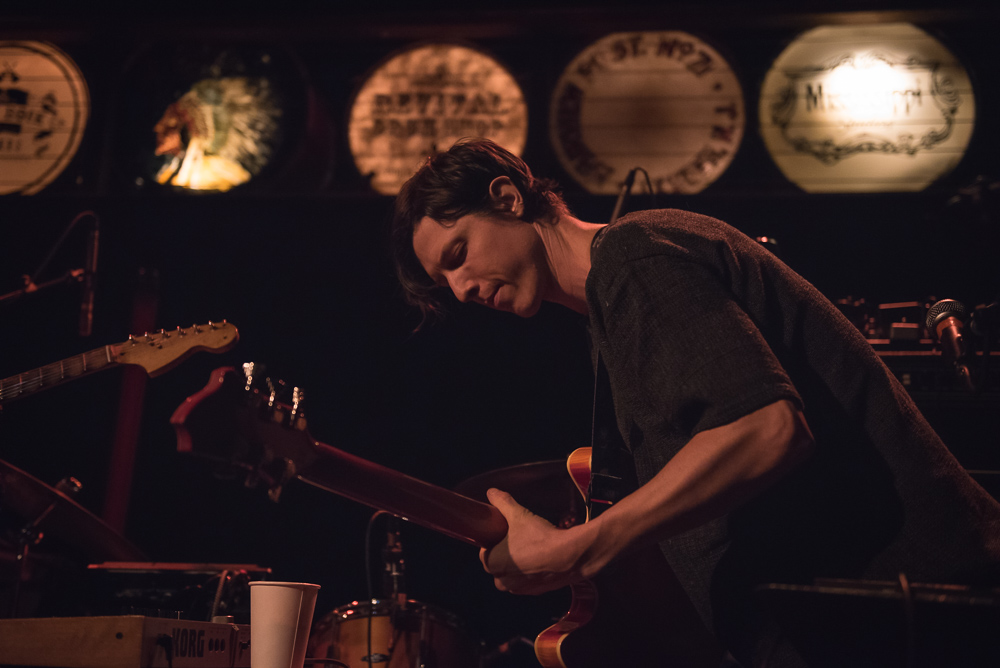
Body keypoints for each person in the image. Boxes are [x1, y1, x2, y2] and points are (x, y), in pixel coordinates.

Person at [390, 138, 1000, 666]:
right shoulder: (610, 308)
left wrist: (580, 547)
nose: (462, 289)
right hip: (853, 620)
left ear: (507, 198)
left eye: (458, 254)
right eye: (446, 283)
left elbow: (766, 428)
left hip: (914, 612)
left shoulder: (635, 256)